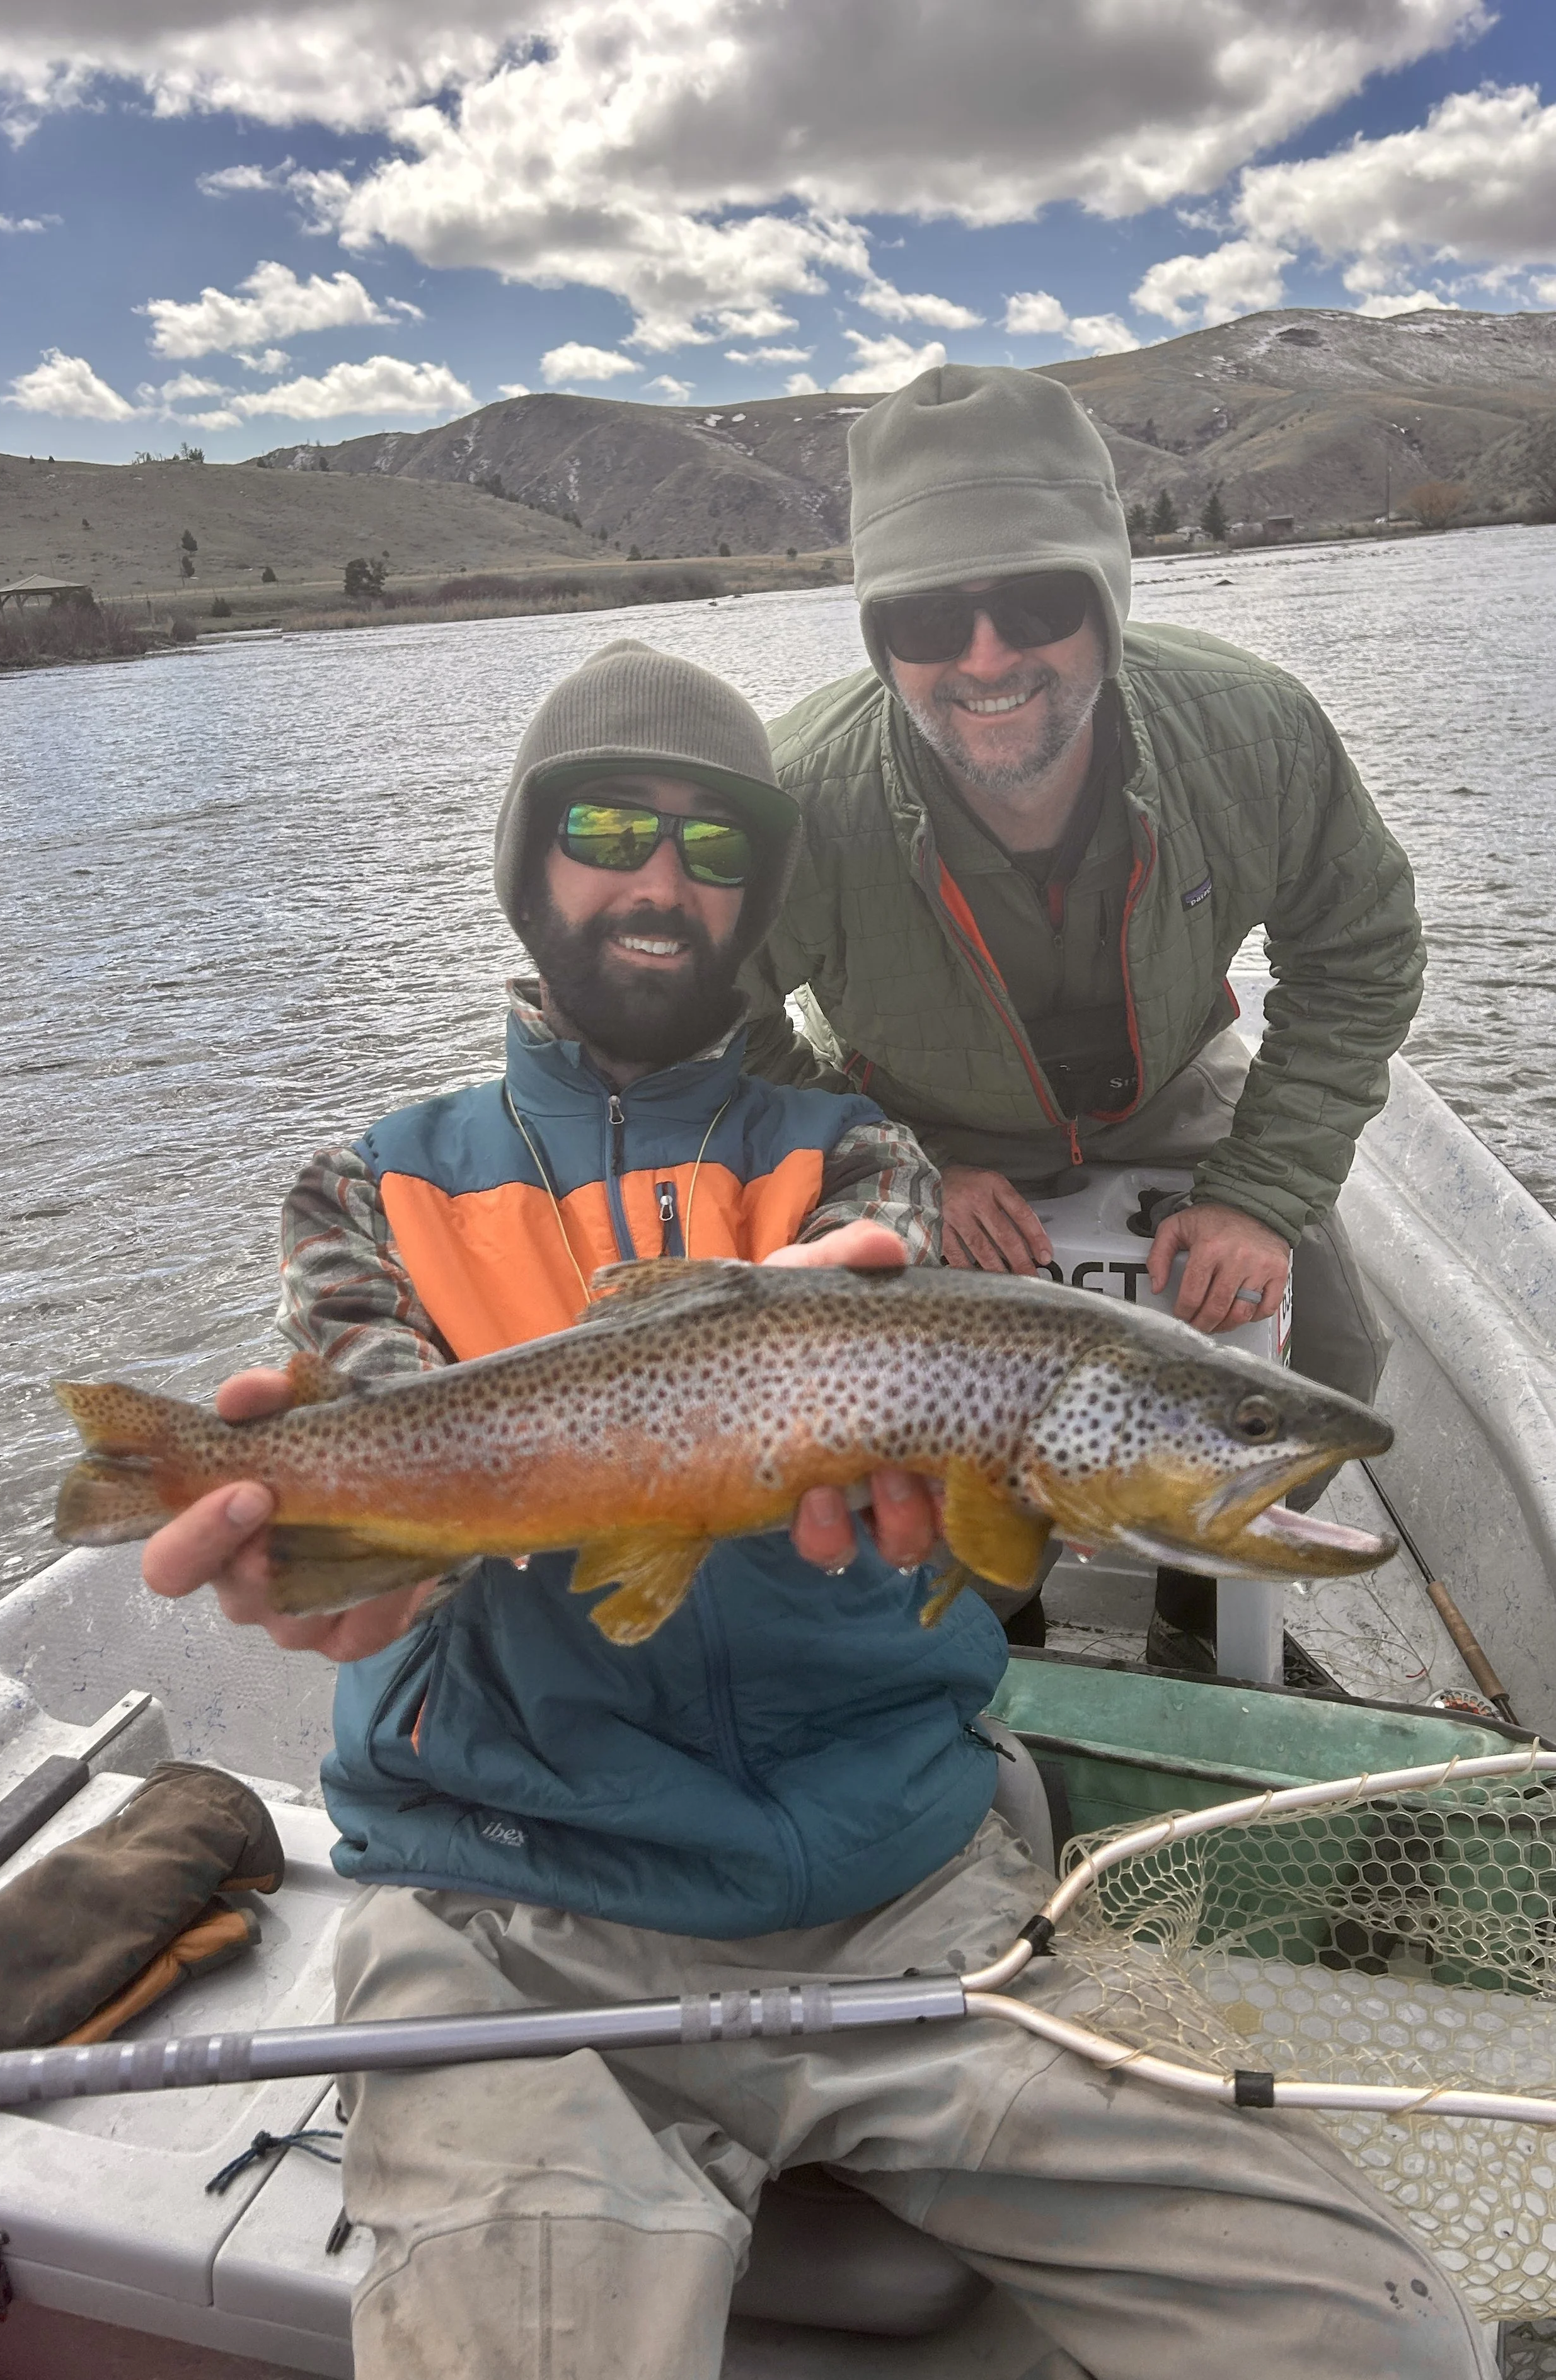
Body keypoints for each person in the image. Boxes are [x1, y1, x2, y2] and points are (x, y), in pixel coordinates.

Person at [141, 641, 1482, 2380]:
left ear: (758, 898)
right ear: (527, 866)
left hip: (899, 1895)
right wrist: (346, 1567)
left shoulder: (858, 1160)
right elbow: (394, 1468)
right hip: (507, 1929)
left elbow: (956, 1486)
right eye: (606, 829)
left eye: (713, 848)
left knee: (1386, 2343)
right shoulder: (368, 1192)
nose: (657, 878)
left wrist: (941, 1461)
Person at [745, 364, 1425, 1669]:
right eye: (928, 618)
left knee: (1333, 1341)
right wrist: (898, 1169)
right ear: (879, 637)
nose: (985, 658)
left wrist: (1260, 1193)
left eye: (1036, 603)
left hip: (1169, 1086)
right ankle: (993, 1624)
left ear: (1108, 602)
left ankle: (1198, 1607)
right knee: (914, 1406)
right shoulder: (794, 799)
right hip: (908, 1117)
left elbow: (1361, 953)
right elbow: (721, 1029)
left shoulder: (1257, 730)